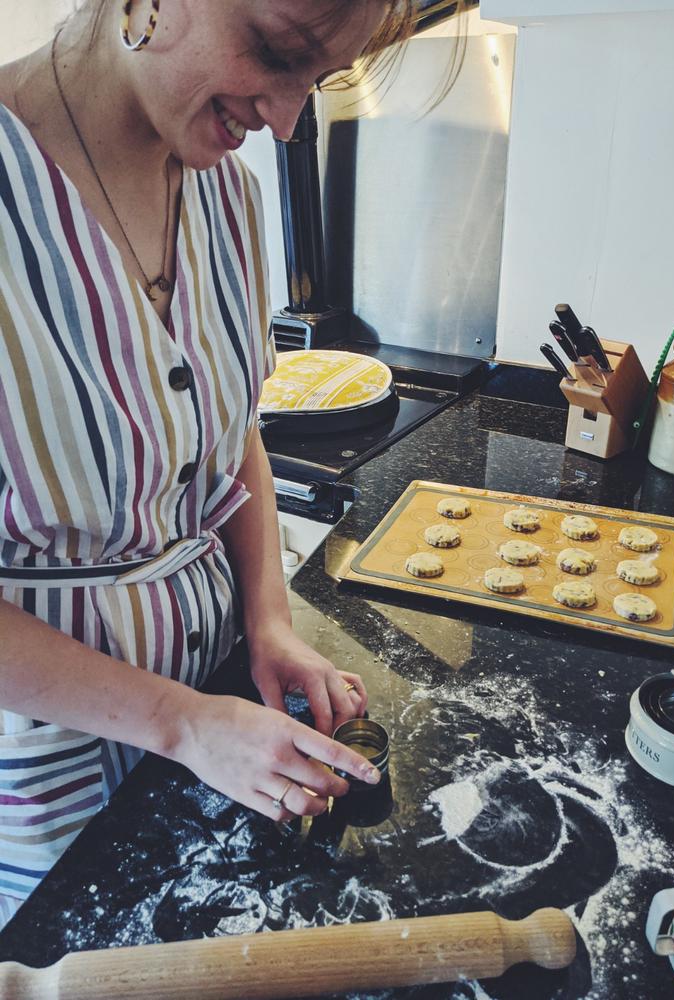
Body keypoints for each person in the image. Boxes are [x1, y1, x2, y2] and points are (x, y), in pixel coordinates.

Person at [0, 0, 405, 927]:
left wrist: (268, 622)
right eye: (274, 53)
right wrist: (177, 722)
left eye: (319, 79)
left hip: (222, 713)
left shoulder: (226, 194)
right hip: (44, 780)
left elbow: (232, 433)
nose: (288, 120)